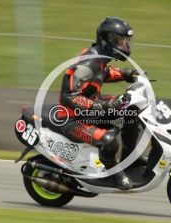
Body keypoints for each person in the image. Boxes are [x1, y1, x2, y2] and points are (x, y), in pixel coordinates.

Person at [58, 17, 142, 190]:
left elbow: (103, 73)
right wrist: (101, 107)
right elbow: (69, 96)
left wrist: (127, 74)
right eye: (120, 41)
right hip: (72, 119)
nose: (125, 46)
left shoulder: (100, 58)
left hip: (91, 112)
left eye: (126, 41)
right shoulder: (87, 63)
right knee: (108, 140)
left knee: (131, 111)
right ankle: (113, 176)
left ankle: (129, 159)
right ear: (107, 40)